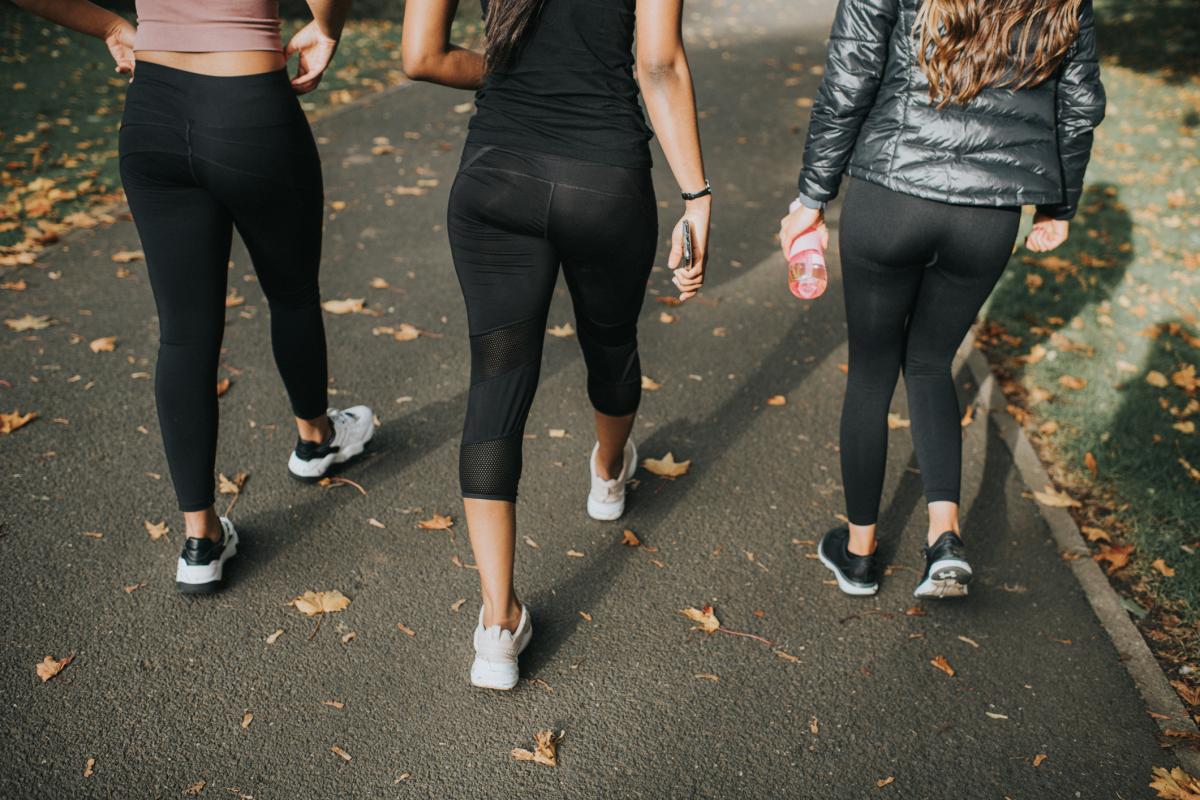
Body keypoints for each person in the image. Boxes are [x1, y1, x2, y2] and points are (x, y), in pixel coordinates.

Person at [12, 0, 374, 593]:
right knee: (291, 293)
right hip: (249, 106)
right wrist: (328, 28)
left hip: (153, 112)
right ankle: (316, 441)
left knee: (184, 331)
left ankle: (201, 540)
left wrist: (110, 25)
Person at [402, 0, 709, 689]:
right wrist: (698, 196)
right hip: (604, 180)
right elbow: (658, 62)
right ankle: (607, 473)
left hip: (495, 177)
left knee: (496, 380)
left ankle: (497, 626)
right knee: (610, 341)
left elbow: (421, 56)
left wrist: (512, 71)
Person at [780, 0, 1105, 598]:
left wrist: (812, 196)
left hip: (890, 196)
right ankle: (945, 541)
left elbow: (850, 75)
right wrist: (1060, 205)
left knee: (872, 372)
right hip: (989, 217)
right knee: (931, 362)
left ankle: (858, 556)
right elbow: (1080, 104)